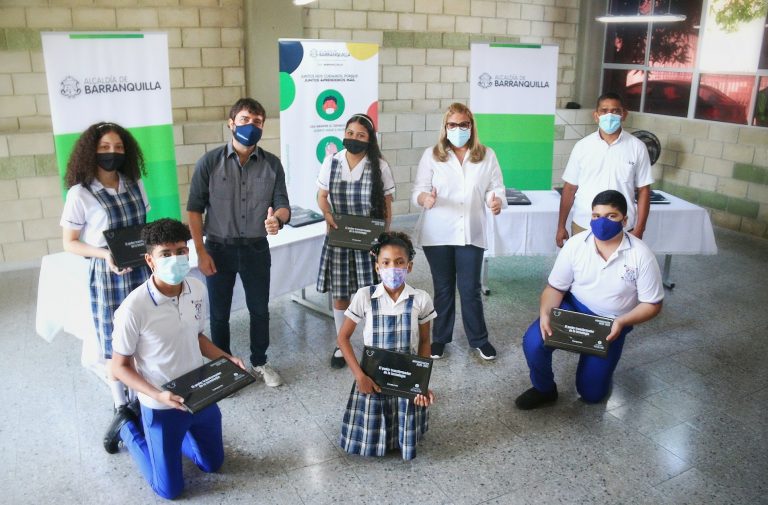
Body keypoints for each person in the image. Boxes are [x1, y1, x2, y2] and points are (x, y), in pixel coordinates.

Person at [107, 218, 246, 499]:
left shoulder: (196, 288)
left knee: (212, 464)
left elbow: (197, 337)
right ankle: (129, 430)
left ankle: (176, 440)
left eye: (181, 251)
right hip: (160, 404)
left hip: (200, 393)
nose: (176, 259)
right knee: (168, 490)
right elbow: (119, 367)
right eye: (166, 254)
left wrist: (227, 358)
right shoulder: (133, 309)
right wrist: (158, 396)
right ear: (150, 260)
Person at [515, 190, 664, 409]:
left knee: (592, 395)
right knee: (534, 341)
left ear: (625, 220)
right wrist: (545, 313)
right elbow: (555, 288)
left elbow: (653, 304)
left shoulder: (641, 255)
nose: (602, 222)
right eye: (596, 216)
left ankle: (596, 369)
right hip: (573, 307)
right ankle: (544, 389)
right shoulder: (576, 245)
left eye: (611, 216)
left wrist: (622, 322)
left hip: (611, 323)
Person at [59, 121, 151, 452]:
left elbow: (143, 227)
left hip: (141, 271)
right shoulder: (80, 193)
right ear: (91, 151)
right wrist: (103, 253)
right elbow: (70, 242)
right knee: (114, 342)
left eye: (118, 147)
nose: (112, 153)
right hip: (108, 275)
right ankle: (120, 406)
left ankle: (141, 398)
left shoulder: (134, 183)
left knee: (141, 335)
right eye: (105, 147)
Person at [187, 98, 290, 387]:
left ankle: (260, 361)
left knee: (260, 309)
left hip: (256, 249)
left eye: (257, 122)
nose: (250, 126)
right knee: (219, 314)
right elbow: (194, 209)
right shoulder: (209, 163)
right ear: (231, 123)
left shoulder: (272, 164)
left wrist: (277, 220)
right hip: (218, 249)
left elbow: (283, 205)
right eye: (244, 120)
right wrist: (200, 250)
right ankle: (224, 366)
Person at [412, 102, 505, 361]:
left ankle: (479, 339)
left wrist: (496, 201)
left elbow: (495, 187)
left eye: (464, 124)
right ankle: (439, 338)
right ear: (445, 127)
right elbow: (417, 191)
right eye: (453, 124)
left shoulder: (487, 155)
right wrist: (424, 200)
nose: (459, 129)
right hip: (438, 233)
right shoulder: (432, 155)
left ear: (471, 126)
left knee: (470, 288)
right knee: (442, 288)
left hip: (471, 232)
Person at [337, 232, 436, 460]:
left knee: (404, 409)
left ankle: (400, 439)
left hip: (407, 376)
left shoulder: (420, 299)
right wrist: (359, 376)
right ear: (377, 267)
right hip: (372, 376)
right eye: (386, 262)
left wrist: (421, 384)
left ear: (409, 266)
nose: (393, 268)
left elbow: (424, 341)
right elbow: (342, 338)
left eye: (399, 262)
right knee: (374, 413)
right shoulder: (364, 296)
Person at [316, 113, 395, 368]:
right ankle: (342, 344)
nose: (354, 138)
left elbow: (386, 207)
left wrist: (383, 239)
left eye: (361, 135)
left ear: (369, 139)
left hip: (367, 242)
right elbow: (321, 195)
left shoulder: (379, 166)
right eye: (350, 133)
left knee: (370, 294)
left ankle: (372, 346)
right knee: (340, 295)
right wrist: (327, 214)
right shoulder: (332, 161)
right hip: (339, 238)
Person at [556, 92, 653, 248]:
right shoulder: (582, 147)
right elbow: (569, 189)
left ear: (624, 114)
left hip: (622, 226)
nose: (609, 115)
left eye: (615, 111)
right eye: (604, 110)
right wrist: (561, 226)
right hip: (584, 224)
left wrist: (640, 229)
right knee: (582, 271)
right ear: (596, 116)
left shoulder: (637, 147)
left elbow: (644, 190)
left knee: (619, 270)